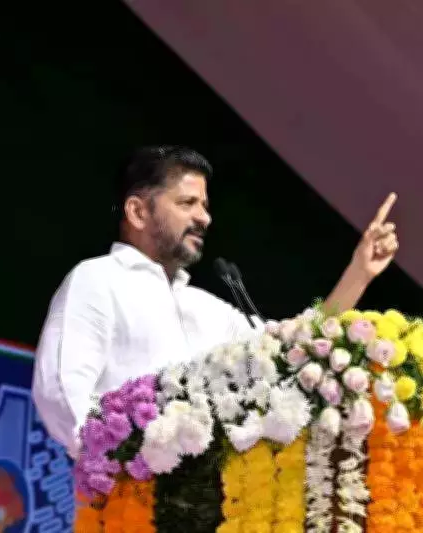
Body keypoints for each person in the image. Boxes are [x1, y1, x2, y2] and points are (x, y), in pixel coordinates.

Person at [32, 145, 399, 456]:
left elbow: (292, 353)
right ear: (138, 212)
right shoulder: (98, 279)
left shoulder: (207, 309)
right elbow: (60, 394)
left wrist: (359, 273)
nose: (204, 217)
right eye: (187, 203)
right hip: (126, 503)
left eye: (204, 205)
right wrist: (125, 463)